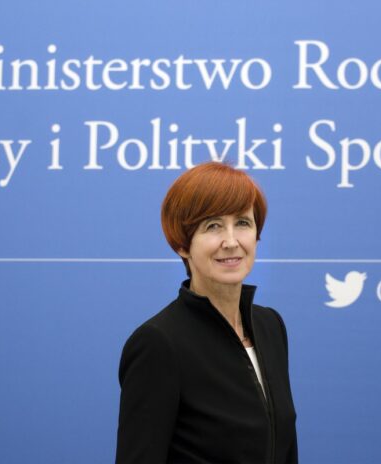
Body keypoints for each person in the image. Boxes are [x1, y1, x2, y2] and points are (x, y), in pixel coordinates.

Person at [115, 162, 298, 463]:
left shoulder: (270, 326)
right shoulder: (159, 343)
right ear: (182, 245)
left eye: (243, 223)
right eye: (213, 226)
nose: (231, 242)